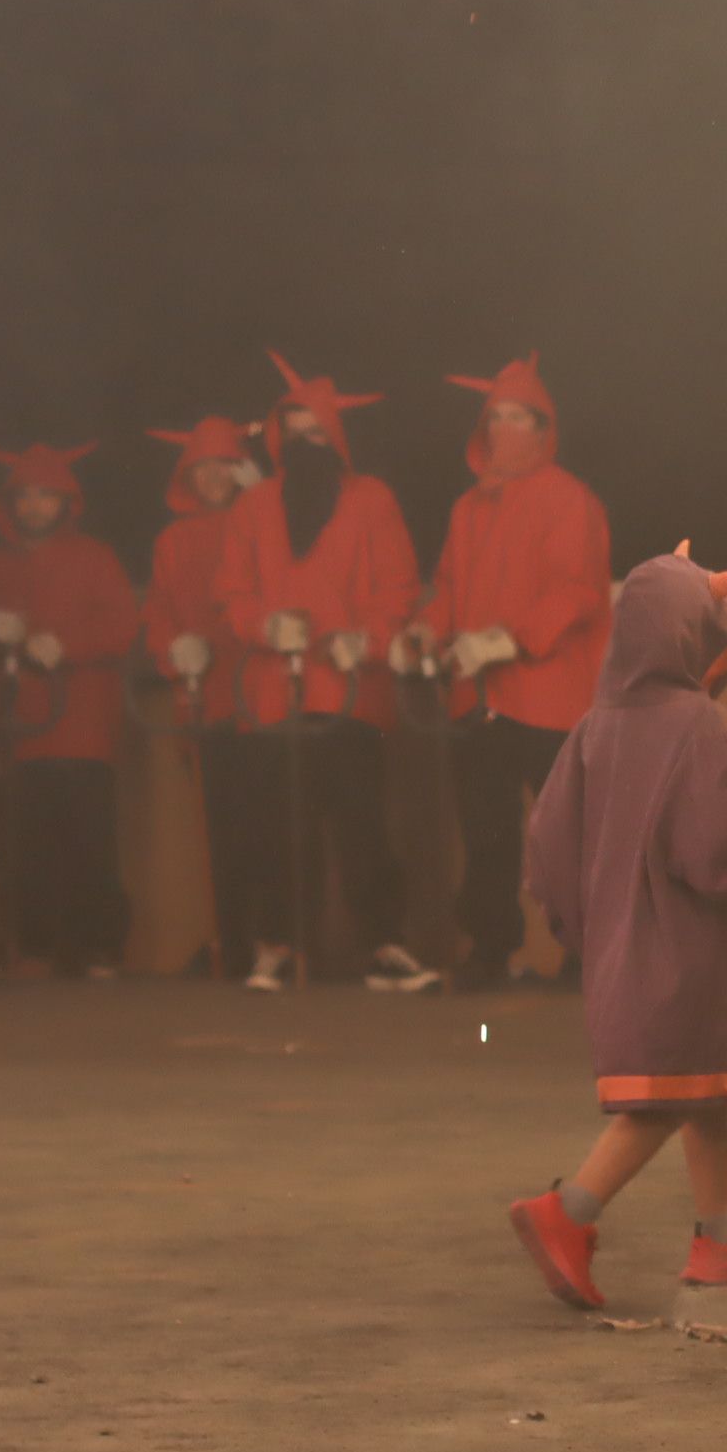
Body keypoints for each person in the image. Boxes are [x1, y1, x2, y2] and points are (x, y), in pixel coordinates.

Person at [507, 553, 727, 1309]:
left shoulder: (594, 728)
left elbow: (548, 841)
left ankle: (718, 1238)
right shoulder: (696, 726)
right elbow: (719, 844)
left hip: (619, 949)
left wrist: (580, 924)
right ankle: (569, 1211)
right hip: (678, 948)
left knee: (702, 1078)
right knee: (665, 1093)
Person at [217, 354, 422, 992]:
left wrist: (366, 640)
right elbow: (231, 593)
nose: (305, 446)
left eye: (315, 434)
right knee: (277, 827)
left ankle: (384, 944)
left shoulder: (372, 500)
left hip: (352, 693)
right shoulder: (253, 506)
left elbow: (399, 589)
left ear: (335, 438)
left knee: (362, 824)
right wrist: (264, 627)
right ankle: (277, 945)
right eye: (293, 434)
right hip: (274, 695)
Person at [406, 356, 610, 993]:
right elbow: (448, 587)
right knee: (486, 833)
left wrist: (511, 639)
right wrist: (425, 629)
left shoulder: (570, 500)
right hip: (480, 696)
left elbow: (579, 591)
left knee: (566, 836)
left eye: (517, 419)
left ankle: (586, 954)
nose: (504, 431)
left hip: (550, 695)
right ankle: (490, 948)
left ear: (543, 426)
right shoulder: (468, 509)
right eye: (494, 420)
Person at [0, 443, 141, 979]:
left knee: (89, 841)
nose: (34, 507)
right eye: (25, 497)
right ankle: (36, 947)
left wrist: (66, 644)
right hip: (19, 725)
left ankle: (102, 948)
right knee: (28, 845)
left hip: (83, 723)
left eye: (46, 496)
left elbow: (122, 626)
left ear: (66, 502)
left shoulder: (95, 557)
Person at [146, 417, 261, 980]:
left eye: (223, 464)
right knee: (222, 831)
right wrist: (174, 652)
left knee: (264, 825)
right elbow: (158, 617)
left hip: (259, 698)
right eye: (202, 467)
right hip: (204, 702)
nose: (213, 476)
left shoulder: (263, 522)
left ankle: (273, 940)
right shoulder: (172, 541)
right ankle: (232, 944)